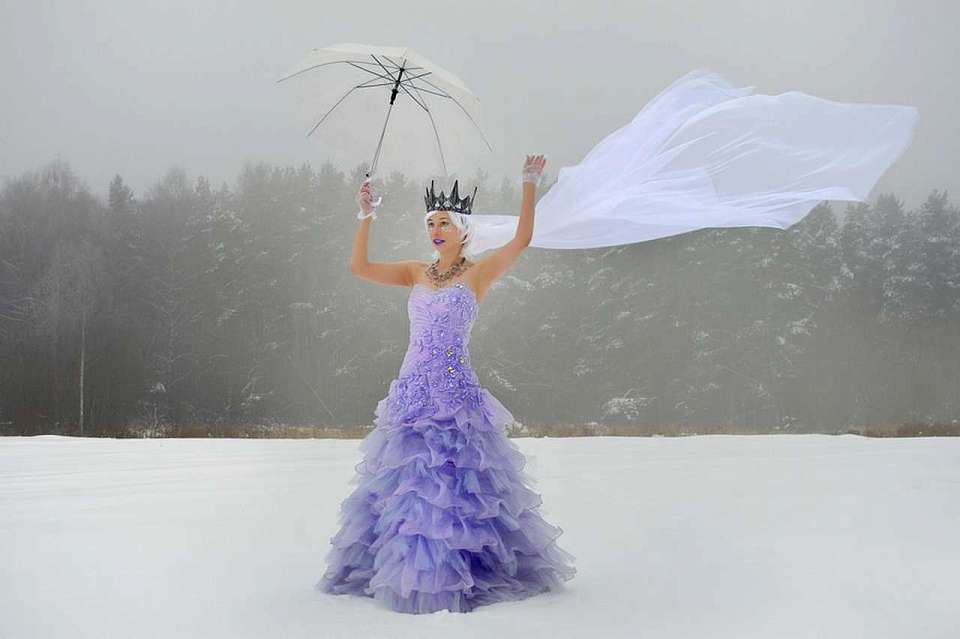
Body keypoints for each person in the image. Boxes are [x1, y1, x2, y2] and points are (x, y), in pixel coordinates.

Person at [317, 154, 578, 614]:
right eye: (430, 223)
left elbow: (523, 239)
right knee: (409, 488)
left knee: (458, 489)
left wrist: (529, 183)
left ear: (463, 229)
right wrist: (366, 214)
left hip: (454, 396)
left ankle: (458, 573)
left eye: (443, 222)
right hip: (412, 393)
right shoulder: (417, 272)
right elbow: (359, 267)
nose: (435, 230)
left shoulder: (477, 274)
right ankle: (402, 571)